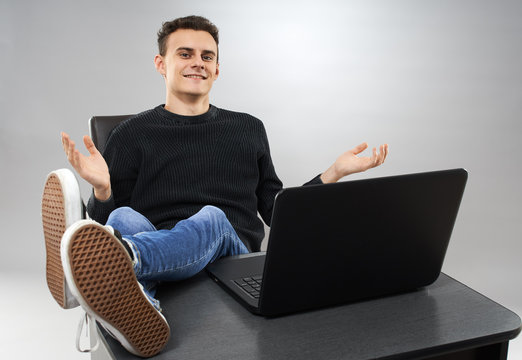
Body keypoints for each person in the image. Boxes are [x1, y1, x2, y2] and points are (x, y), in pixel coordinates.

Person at [41, 15, 388, 358]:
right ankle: (145, 311)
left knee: (211, 217)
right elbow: (106, 224)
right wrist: (102, 190)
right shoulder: (131, 135)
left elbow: (276, 210)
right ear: (161, 64)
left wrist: (333, 172)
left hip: (230, 253)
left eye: (207, 56)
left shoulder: (248, 129)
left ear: (217, 69)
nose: (198, 63)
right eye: (185, 54)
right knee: (123, 217)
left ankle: (122, 260)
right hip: (167, 257)